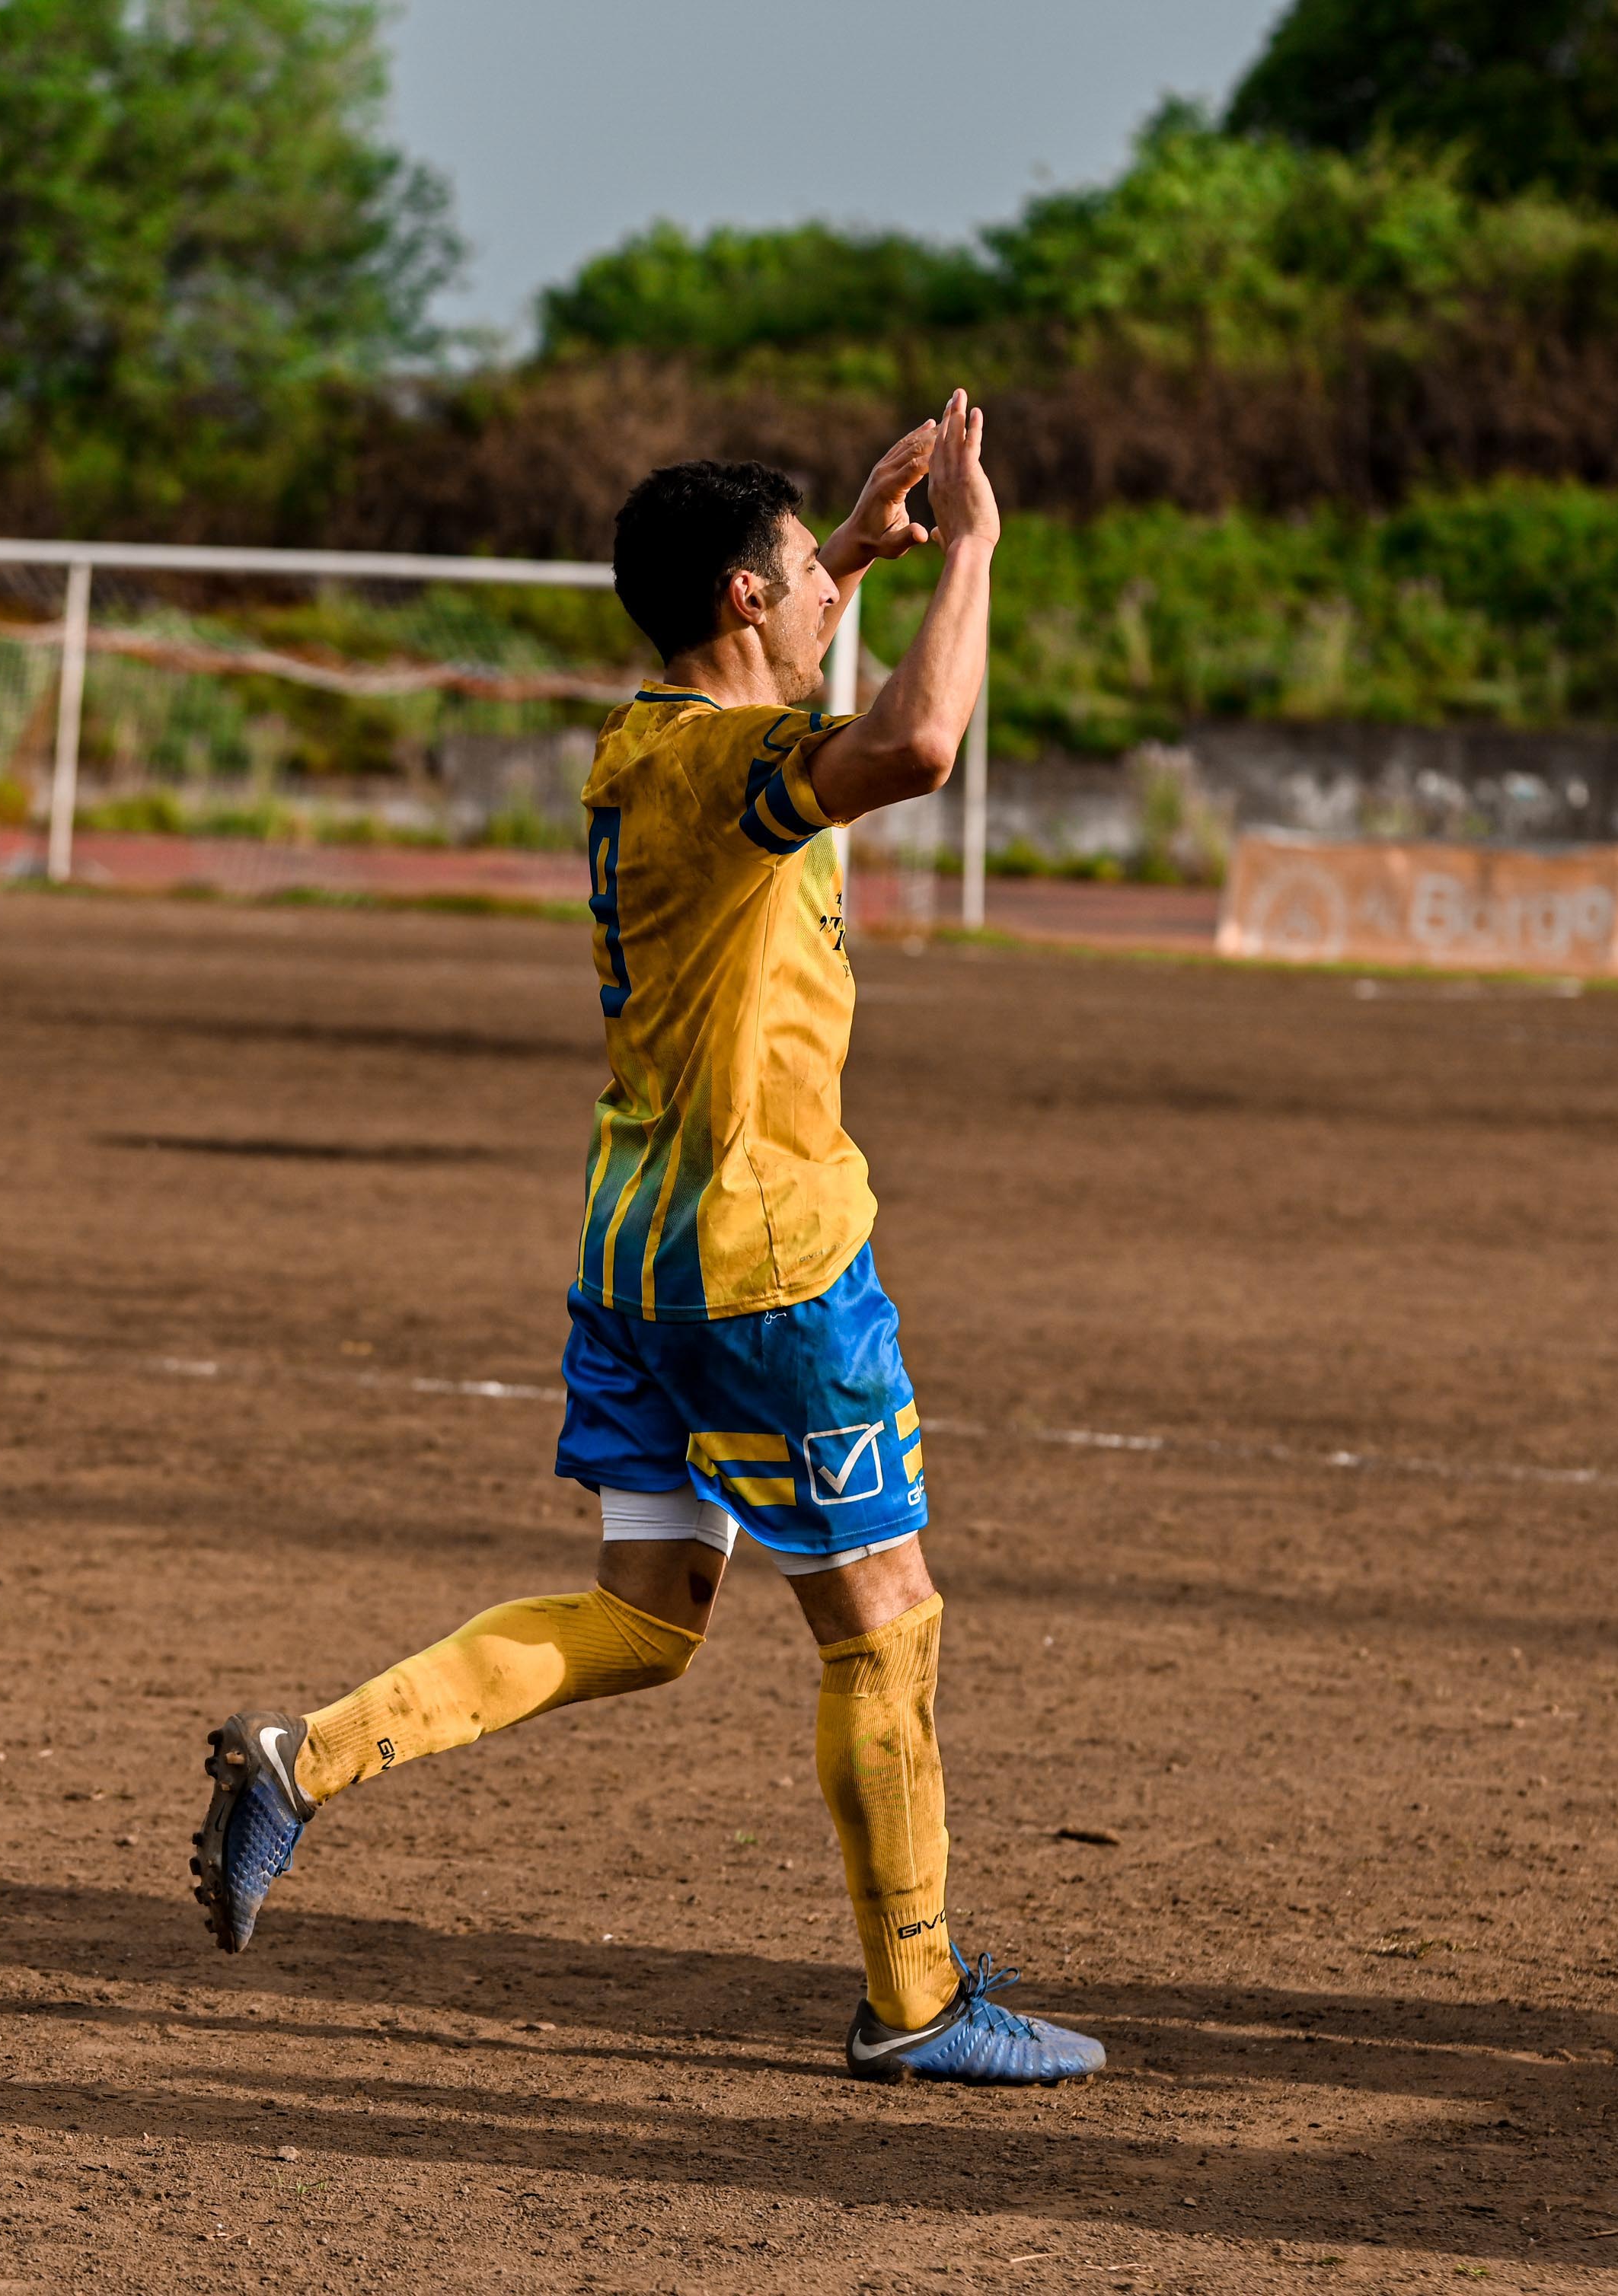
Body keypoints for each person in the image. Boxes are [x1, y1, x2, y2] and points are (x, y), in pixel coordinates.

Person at [192, 394, 1103, 2086]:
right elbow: (913, 745)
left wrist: (845, 548)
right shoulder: (720, 769)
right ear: (743, 600)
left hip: (636, 1261)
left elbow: (792, 694)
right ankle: (913, 2000)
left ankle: (301, 1759)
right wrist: (972, 549)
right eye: (803, 576)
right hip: (767, 1265)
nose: (829, 598)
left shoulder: (646, 743)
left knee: (648, 1614)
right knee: (884, 1616)